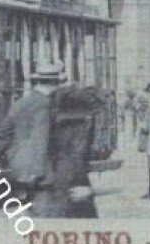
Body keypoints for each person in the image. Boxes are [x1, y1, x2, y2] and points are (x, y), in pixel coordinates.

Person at [0, 61, 64, 210]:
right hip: (41, 170)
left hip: (19, 165)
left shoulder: (20, 103)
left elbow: (3, 134)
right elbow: (42, 138)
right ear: (55, 82)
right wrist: (38, 171)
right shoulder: (47, 104)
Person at [43, 85, 107, 218]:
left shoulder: (57, 128)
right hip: (72, 190)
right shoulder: (77, 132)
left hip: (60, 189)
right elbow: (74, 162)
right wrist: (89, 190)